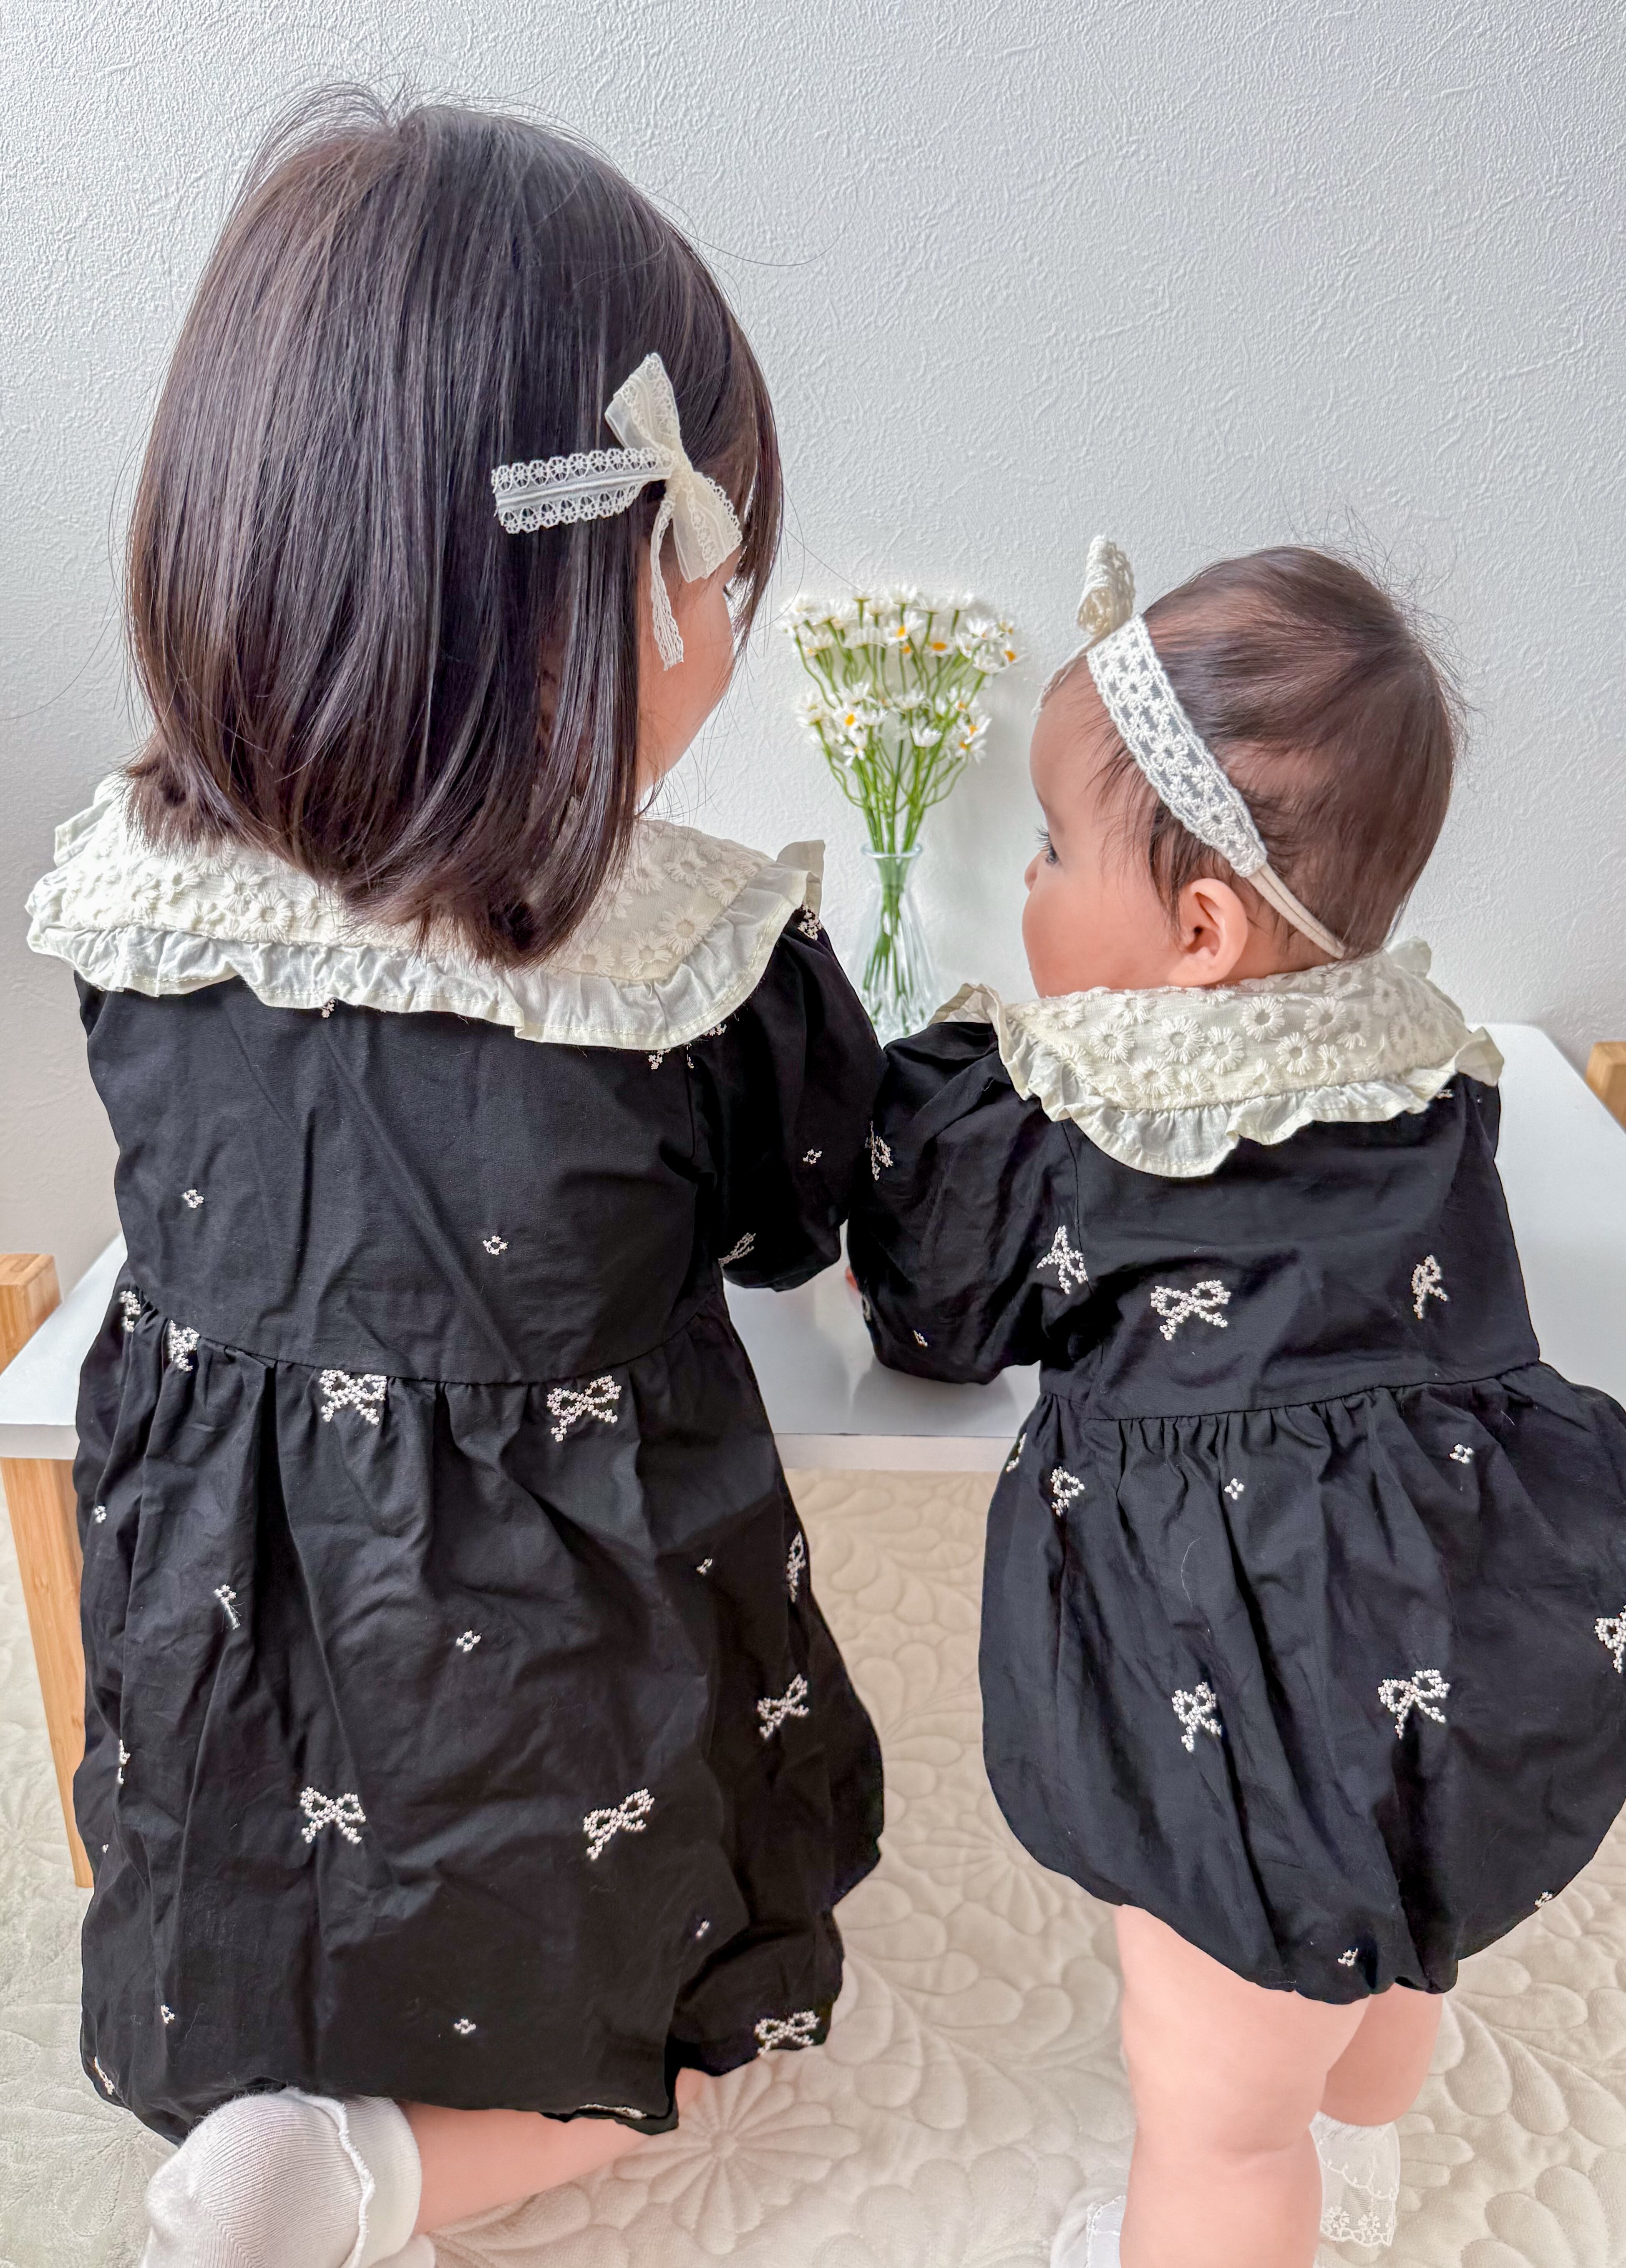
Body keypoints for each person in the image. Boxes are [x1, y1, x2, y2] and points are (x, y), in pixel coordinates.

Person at [26, 89, 884, 2268]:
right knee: (704, 2036)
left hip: (234, 1701)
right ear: (599, 606)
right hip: (560, 1693)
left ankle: (258, 2078)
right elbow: (800, 1215)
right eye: (715, 572)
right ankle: (377, 2170)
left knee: (253, 1898)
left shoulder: (138, 908)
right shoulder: (683, 956)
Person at [848, 537, 1626, 2268]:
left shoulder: (1076, 1118)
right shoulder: (1427, 1061)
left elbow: (937, 1316)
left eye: (1053, 850)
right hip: (1477, 1612)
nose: (1029, 882)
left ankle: (1251, 2204)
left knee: (1211, 2095)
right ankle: (1356, 2165)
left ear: (1197, 933)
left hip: (1240, 1679)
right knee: (1406, 1932)